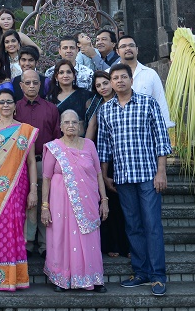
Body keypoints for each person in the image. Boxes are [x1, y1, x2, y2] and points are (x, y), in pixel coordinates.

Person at [98, 63, 172, 296]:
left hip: (148, 176)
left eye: (123, 77)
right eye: (115, 78)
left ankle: (158, 275)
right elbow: (103, 147)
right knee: (133, 226)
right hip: (122, 177)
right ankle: (141, 273)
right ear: (111, 83)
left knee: (152, 226)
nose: (119, 81)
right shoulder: (106, 110)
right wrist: (105, 176)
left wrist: (161, 172)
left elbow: (161, 139)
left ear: (131, 80)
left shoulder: (147, 103)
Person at [0, 88, 38, 291]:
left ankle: (17, 277)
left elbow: (30, 162)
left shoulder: (25, 130)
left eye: (9, 102)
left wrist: (33, 191)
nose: (5, 105)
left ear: (15, 105)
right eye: (1, 102)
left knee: (15, 228)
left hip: (19, 187)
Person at [41, 109, 107, 292]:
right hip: (60, 203)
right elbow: (46, 178)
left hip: (88, 202)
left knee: (89, 238)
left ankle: (93, 278)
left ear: (80, 125)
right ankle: (61, 279)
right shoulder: (54, 147)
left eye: (74, 122)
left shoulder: (89, 145)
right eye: (67, 122)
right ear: (61, 126)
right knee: (61, 237)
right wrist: (44, 206)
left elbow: (99, 173)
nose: (71, 125)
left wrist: (105, 200)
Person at [15, 68, 60, 255]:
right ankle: (26, 243)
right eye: (28, 83)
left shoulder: (51, 109)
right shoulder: (14, 108)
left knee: (44, 201)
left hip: (44, 162)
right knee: (23, 203)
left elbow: (58, 138)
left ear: (40, 85)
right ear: (21, 85)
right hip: (19, 163)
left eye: (35, 82)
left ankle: (43, 244)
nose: (32, 86)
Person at [85, 70, 129, 258]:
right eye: (98, 85)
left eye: (105, 83)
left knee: (123, 204)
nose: (103, 88)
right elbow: (91, 129)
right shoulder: (95, 105)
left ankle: (127, 245)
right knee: (106, 202)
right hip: (101, 158)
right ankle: (111, 244)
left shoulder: (122, 101)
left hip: (123, 157)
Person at [117, 36, 175, 128]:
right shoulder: (109, 74)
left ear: (137, 50)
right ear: (117, 51)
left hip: (146, 129)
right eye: (123, 46)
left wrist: (164, 126)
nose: (128, 48)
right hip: (120, 127)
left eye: (131, 45)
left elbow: (160, 101)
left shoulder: (150, 74)